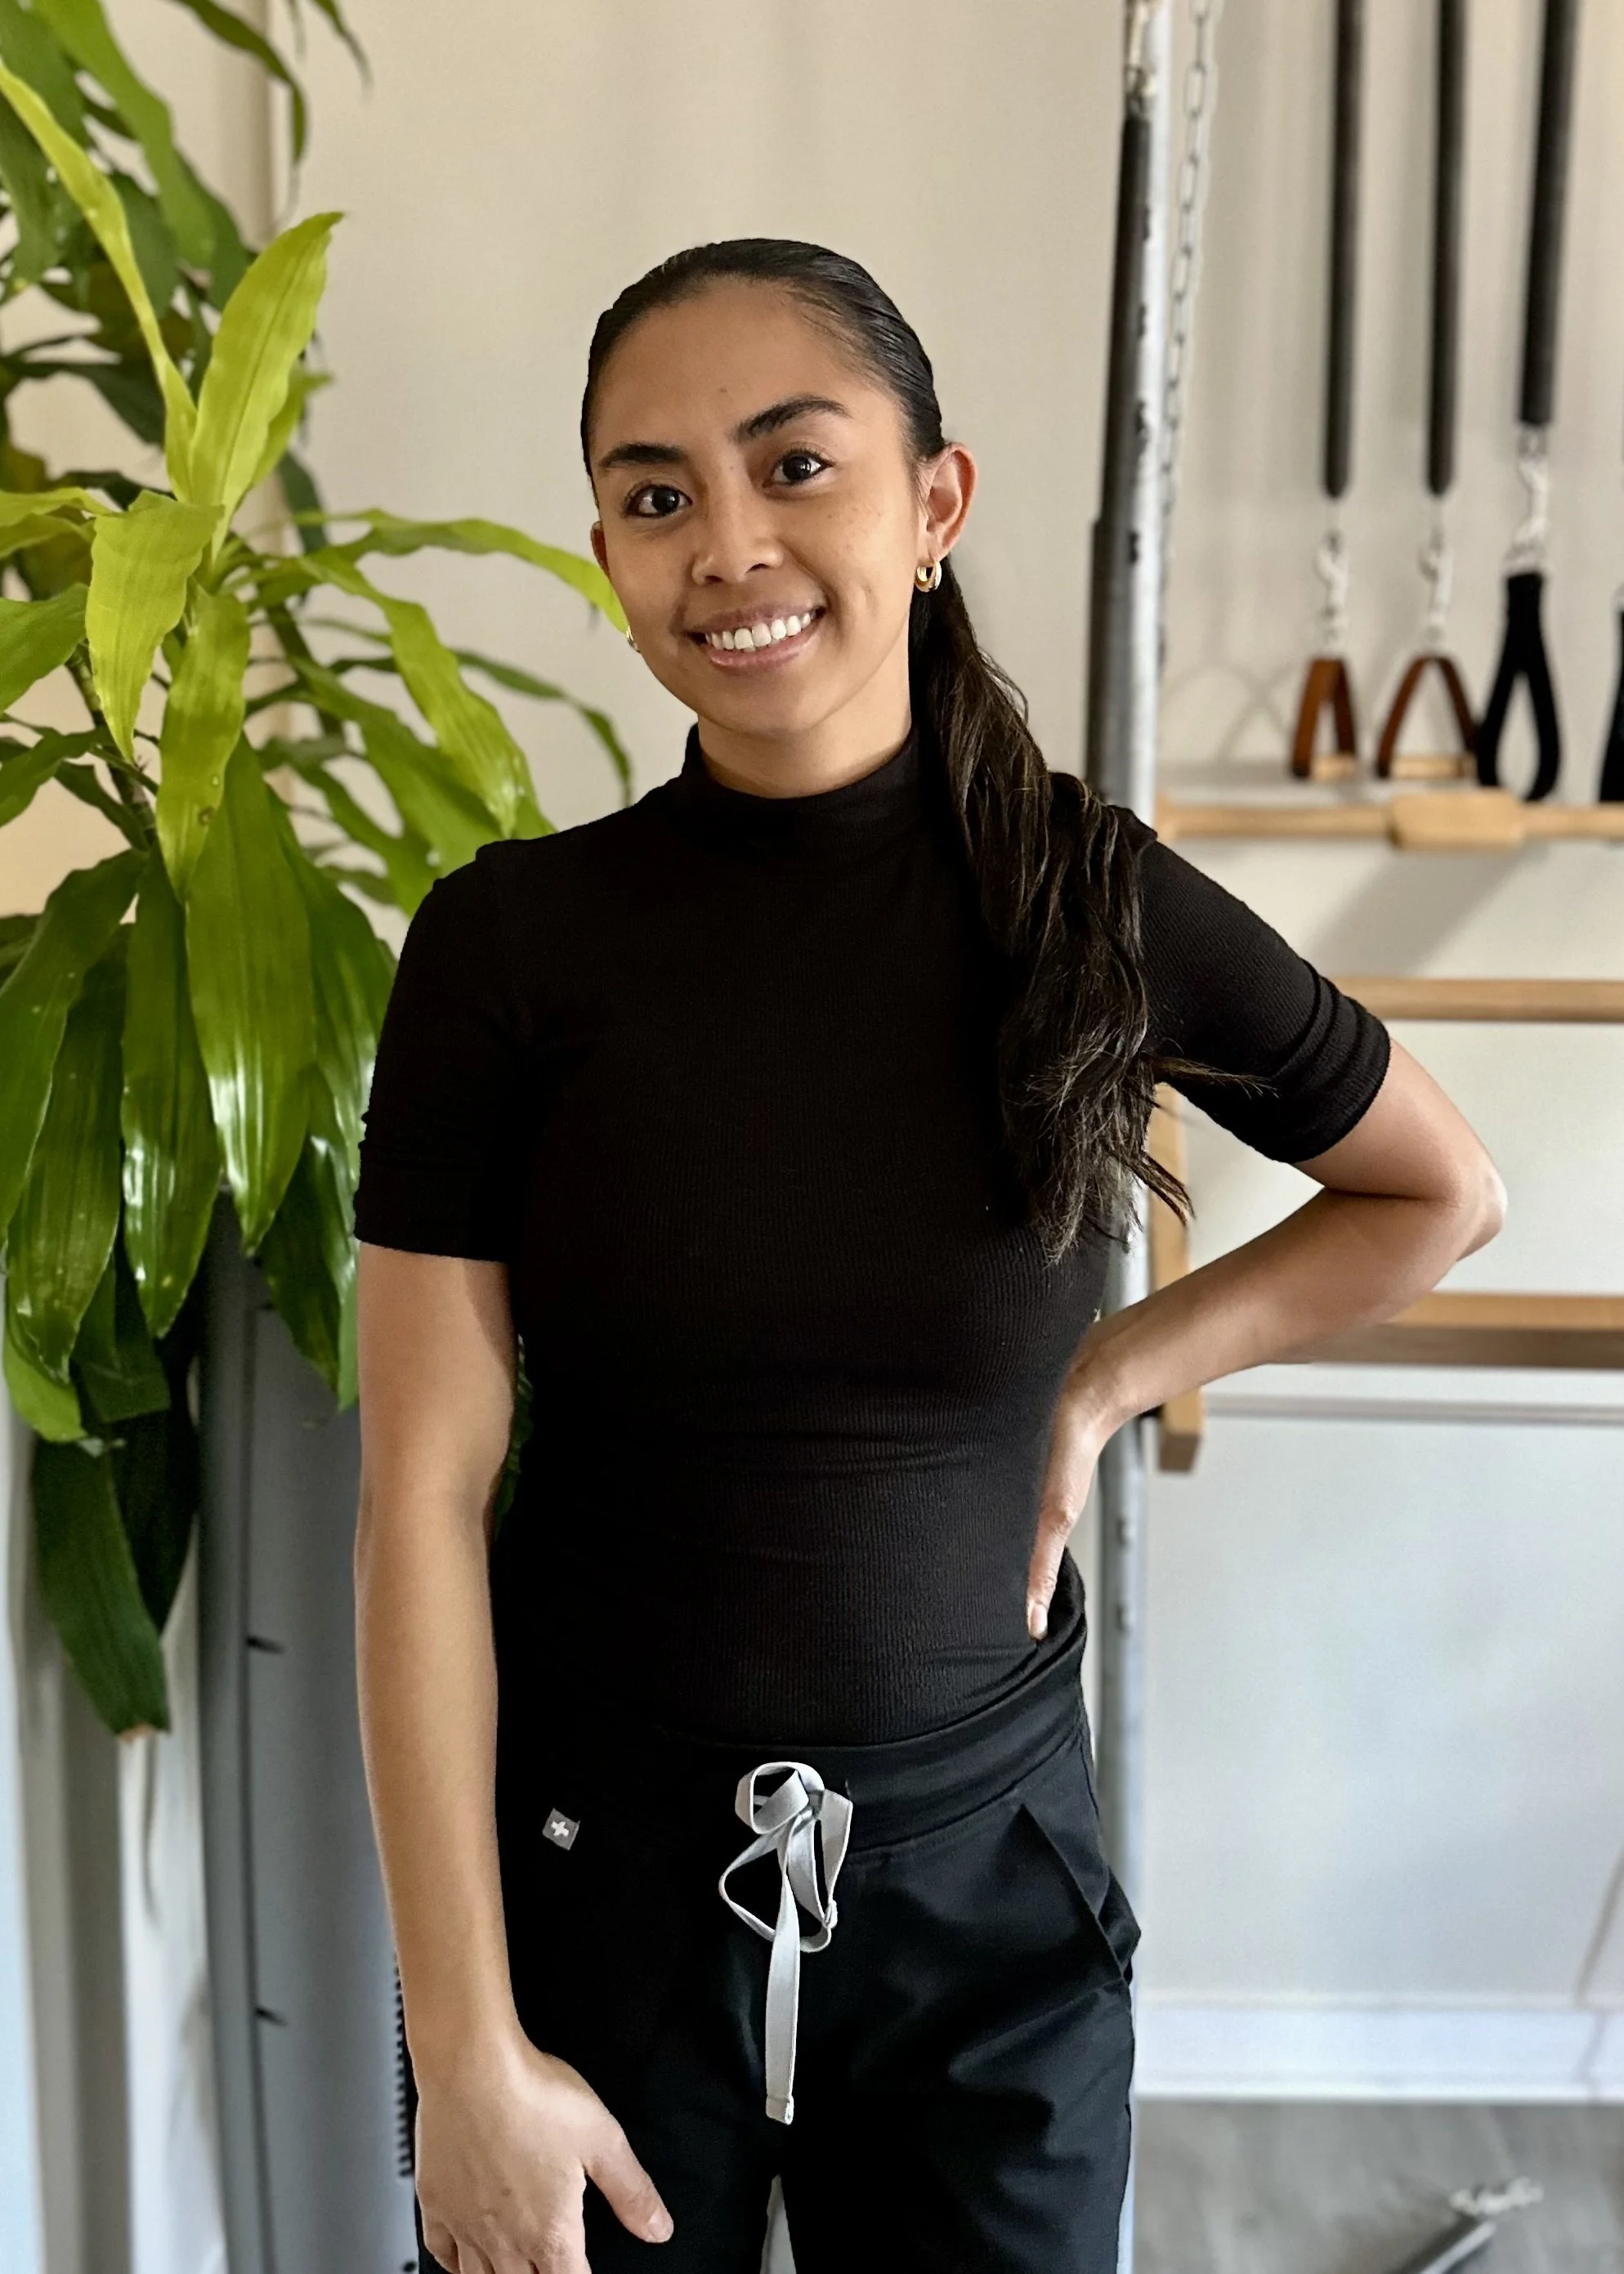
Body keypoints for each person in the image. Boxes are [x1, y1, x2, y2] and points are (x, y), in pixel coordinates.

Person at [351, 240, 1505, 2274]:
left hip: (989, 1912)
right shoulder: (511, 948)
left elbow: (1437, 1185)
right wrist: (467, 2046)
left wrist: (1115, 1364)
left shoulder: (1094, 904)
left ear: (935, 502)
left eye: (795, 464)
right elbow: (419, 1499)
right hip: (597, 1892)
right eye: (655, 494)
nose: (728, 545)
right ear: (608, 549)